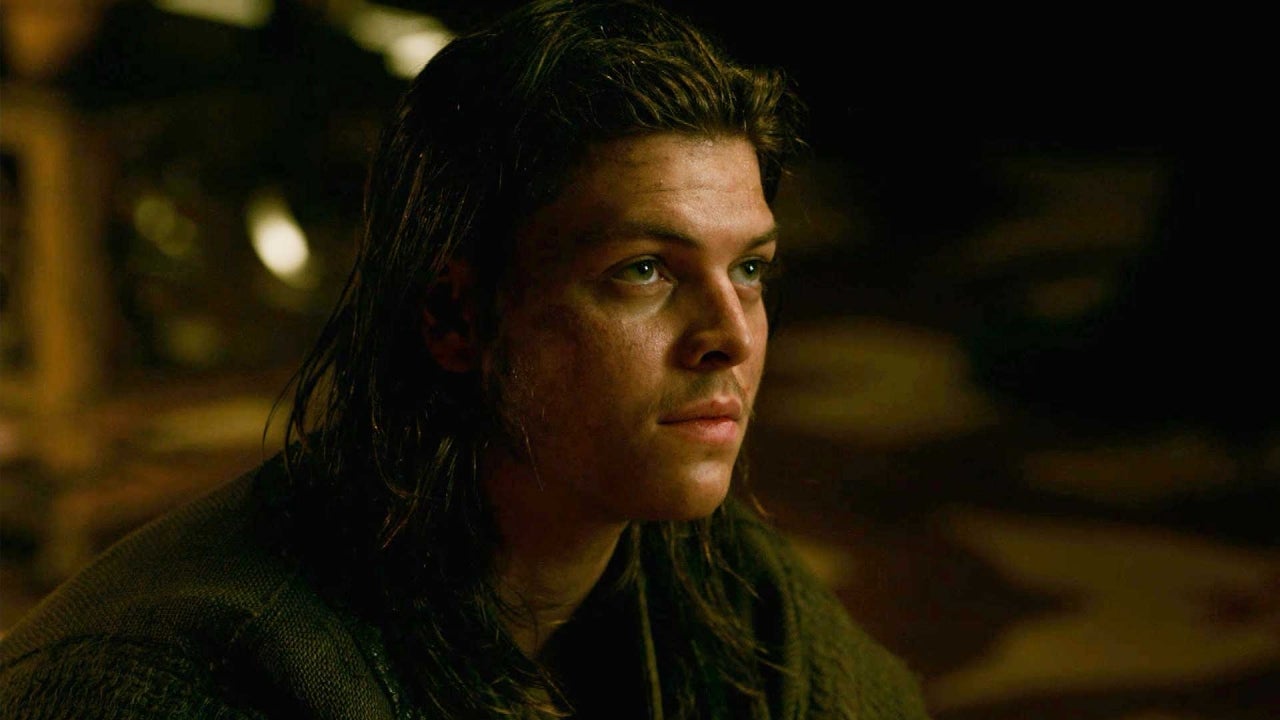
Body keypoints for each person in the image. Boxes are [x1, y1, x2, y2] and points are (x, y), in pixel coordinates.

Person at [0, 1, 931, 717]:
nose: (731, 334)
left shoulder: (722, 586)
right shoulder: (189, 680)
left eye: (751, 269)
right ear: (457, 317)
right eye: (644, 271)